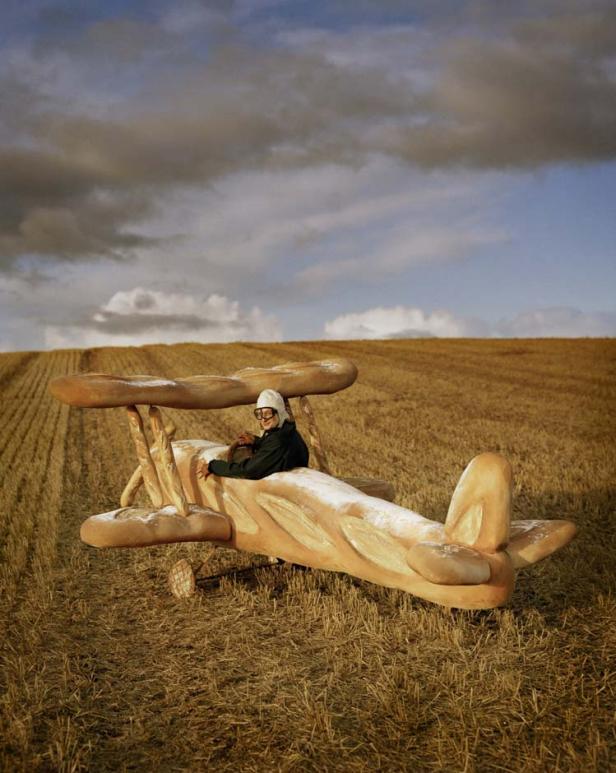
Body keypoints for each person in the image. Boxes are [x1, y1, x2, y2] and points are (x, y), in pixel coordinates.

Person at [196, 389, 309, 480]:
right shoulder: (288, 430)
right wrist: (257, 441)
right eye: (259, 414)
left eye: (268, 413)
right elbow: (273, 452)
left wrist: (213, 466)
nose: (263, 419)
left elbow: (247, 470)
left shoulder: (279, 440)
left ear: (279, 412)